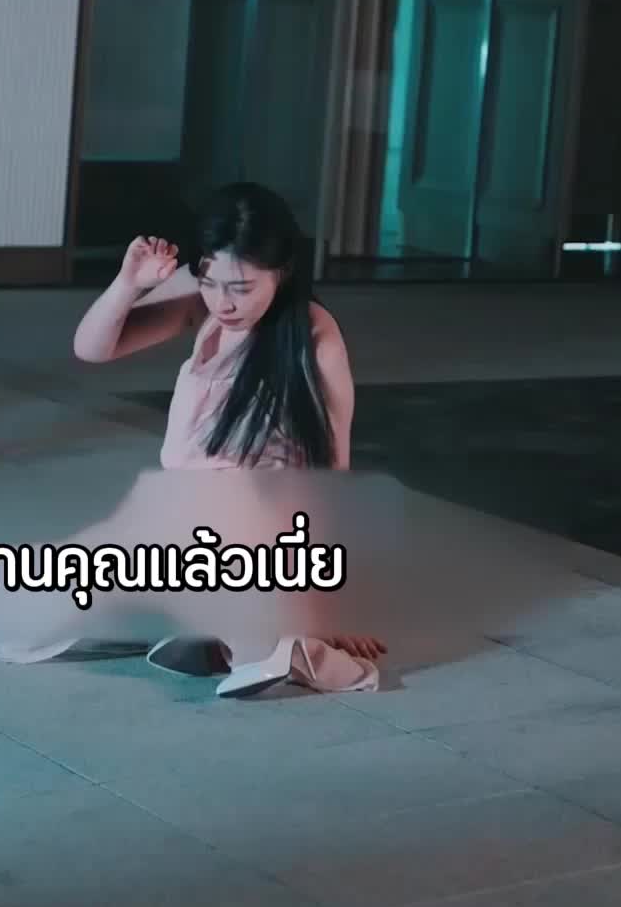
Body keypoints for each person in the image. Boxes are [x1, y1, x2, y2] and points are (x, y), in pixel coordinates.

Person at [72, 183, 386, 679]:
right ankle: (203, 620)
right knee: (50, 598)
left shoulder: (315, 336)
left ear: (282, 273)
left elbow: (330, 475)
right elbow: (92, 348)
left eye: (242, 288)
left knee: (254, 631)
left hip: (259, 532)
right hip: (180, 516)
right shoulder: (203, 295)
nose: (224, 302)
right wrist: (128, 284)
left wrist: (330, 603)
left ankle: (236, 629)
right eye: (210, 282)